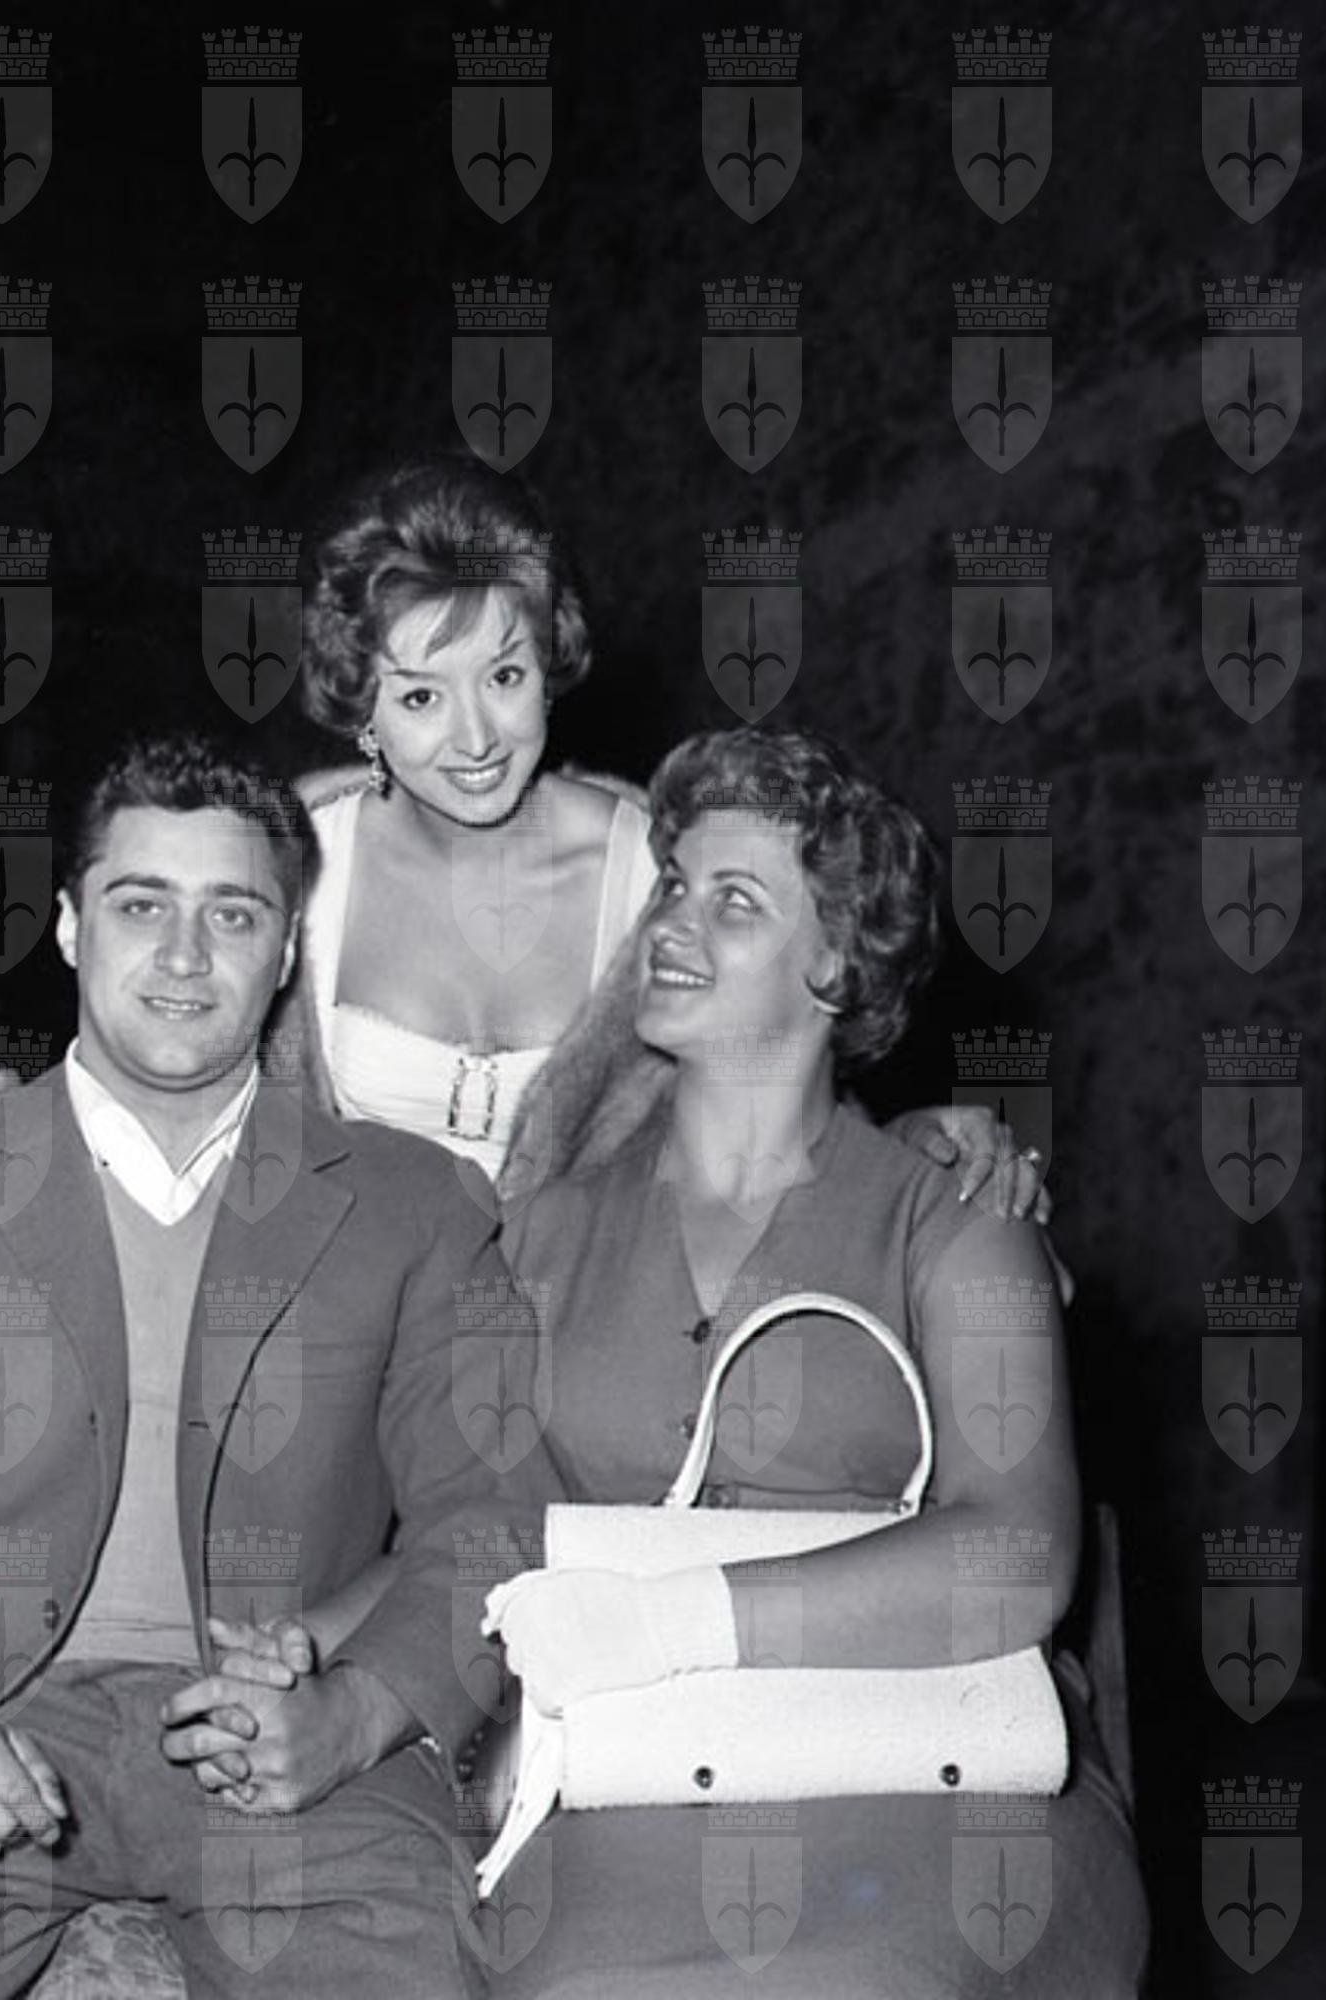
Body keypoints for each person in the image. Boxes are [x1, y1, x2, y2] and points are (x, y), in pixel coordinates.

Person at [0, 735, 556, 2000]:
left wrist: (357, 1713)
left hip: (283, 1744)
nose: (183, 954)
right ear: (68, 924)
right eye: (140, 904)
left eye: (233, 913)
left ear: (286, 950)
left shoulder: (415, 1204)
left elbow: (489, 1511)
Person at [453, 726, 1147, 1997]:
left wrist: (668, 1622)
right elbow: (481, 1527)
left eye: (734, 900)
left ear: (836, 962)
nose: (672, 922)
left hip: (929, 1771)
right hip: (628, 1777)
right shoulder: (541, 1233)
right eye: (671, 885)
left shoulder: (953, 1214)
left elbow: (1017, 1554)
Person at [0, 457, 1050, 1215]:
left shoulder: (657, 867)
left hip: (588, 1378)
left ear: (551, 658)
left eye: (504, 674)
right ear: (360, 705)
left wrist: (904, 1147)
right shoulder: (290, 856)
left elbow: (767, 1084)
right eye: (419, 696)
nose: (477, 737)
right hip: (326, 1369)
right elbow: (159, 1047)